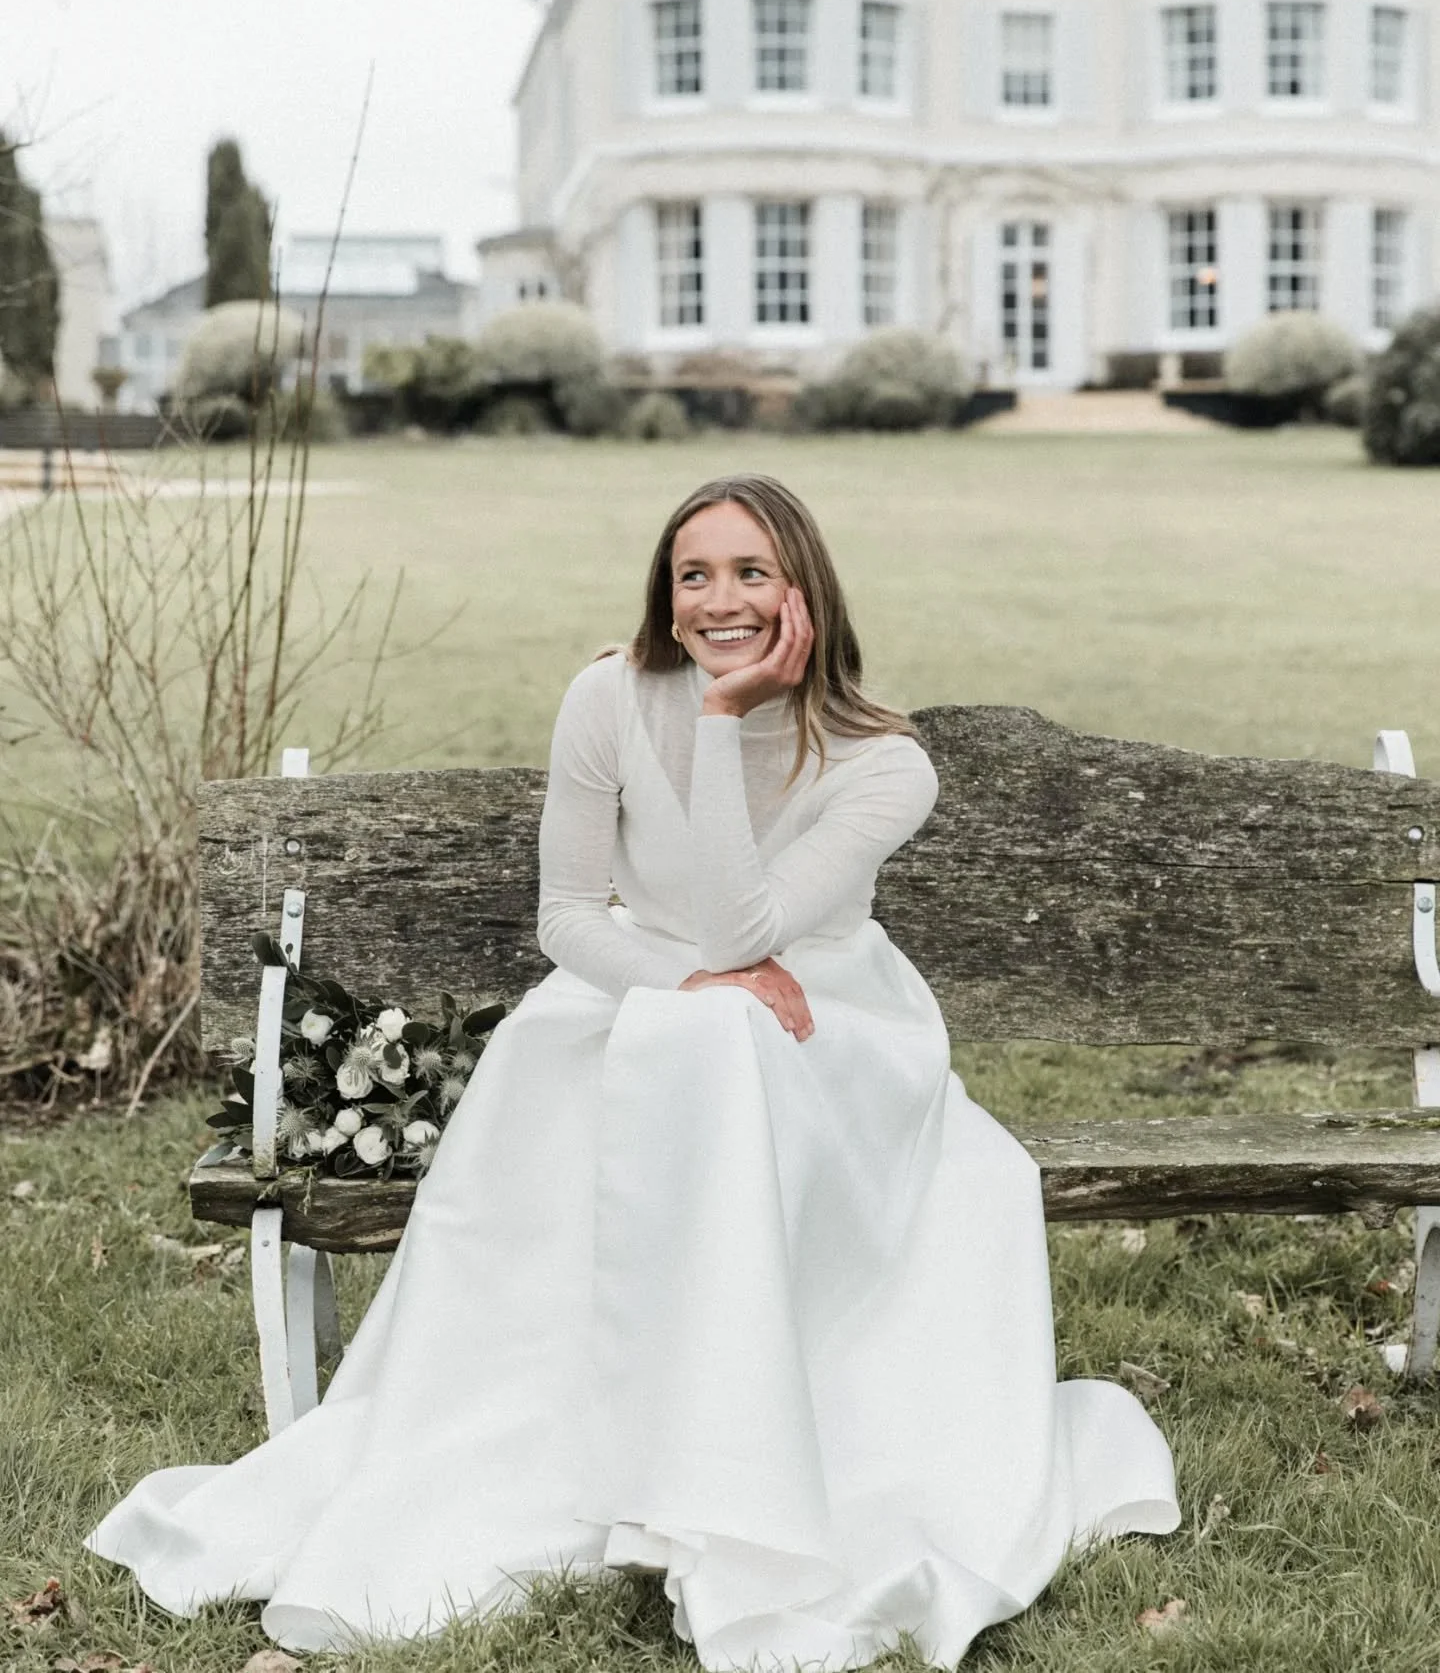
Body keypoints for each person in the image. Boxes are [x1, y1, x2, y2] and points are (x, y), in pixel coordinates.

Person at [86, 473, 1179, 1669]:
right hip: (639, 988)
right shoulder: (606, 695)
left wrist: (723, 719)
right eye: (693, 573)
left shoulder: (885, 763)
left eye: (752, 572)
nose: (719, 599)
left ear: (805, 587)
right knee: (663, 1046)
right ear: (665, 590)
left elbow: (745, 929)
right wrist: (681, 987)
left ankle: (733, 1459)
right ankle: (588, 1439)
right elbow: (567, 915)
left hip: (824, 1024)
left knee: (719, 1043)